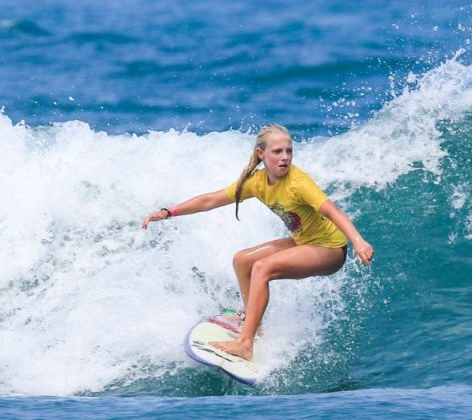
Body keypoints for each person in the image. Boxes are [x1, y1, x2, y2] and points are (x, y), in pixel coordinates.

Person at [141, 124, 373, 361]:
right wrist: (169, 212)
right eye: (277, 152)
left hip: (330, 249)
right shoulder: (257, 182)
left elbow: (333, 211)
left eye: (289, 151)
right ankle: (254, 325)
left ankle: (245, 343)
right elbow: (211, 200)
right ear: (261, 154)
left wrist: (358, 241)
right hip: (305, 241)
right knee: (242, 260)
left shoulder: (299, 183)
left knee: (263, 267)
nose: (285, 157)